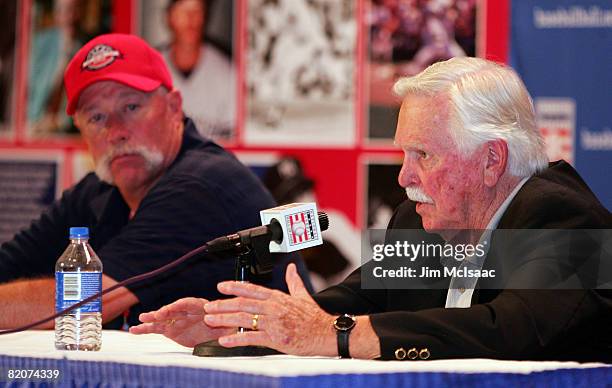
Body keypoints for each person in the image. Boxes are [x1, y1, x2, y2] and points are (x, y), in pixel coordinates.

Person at [130, 57, 612, 361]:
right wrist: (237, 324)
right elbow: (348, 304)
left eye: (423, 155)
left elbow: (506, 329)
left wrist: (336, 336)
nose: (404, 178)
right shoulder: (422, 221)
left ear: (491, 160)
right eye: (403, 154)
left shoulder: (563, 216)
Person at [0, 33, 310, 329]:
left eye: (131, 107)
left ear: (175, 108)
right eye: (96, 117)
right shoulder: (99, 191)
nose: (115, 131)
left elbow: (84, 299)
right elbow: (10, 263)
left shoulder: (200, 185)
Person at [161, 0, 235, 140]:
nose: (190, 18)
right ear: (169, 17)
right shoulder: (151, 69)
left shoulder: (227, 72)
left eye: (197, 10)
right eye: (183, 11)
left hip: (212, 159)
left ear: (205, 17)